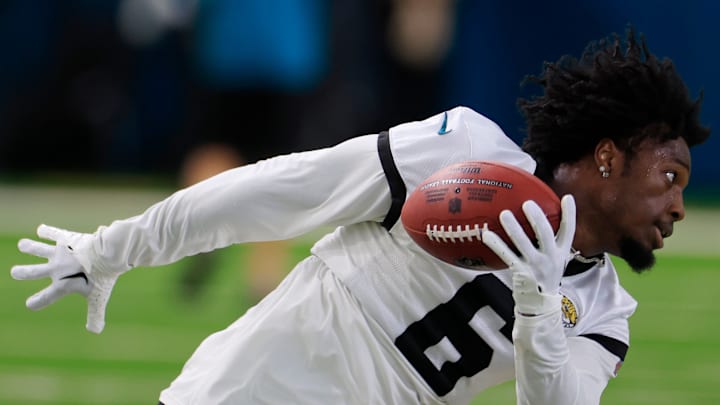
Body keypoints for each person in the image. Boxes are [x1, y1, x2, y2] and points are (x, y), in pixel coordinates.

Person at [10, 28, 710, 404]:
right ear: (610, 156)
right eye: (669, 177)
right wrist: (115, 248)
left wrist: (539, 309)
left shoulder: (602, 310)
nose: (678, 205)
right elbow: (282, 188)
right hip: (263, 381)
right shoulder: (466, 151)